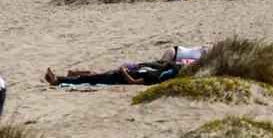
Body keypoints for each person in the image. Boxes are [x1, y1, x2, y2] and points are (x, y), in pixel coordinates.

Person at [45, 62, 179, 86]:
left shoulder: (153, 77)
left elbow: (133, 82)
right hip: (117, 74)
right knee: (92, 75)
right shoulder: (153, 73)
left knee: (90, 78)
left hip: (118, 77)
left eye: (164, 66)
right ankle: (67, 76)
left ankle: (58, 80)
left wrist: (124, 72)